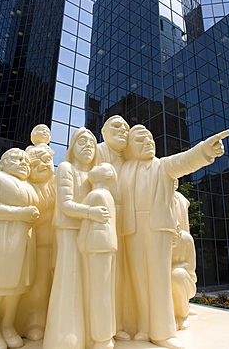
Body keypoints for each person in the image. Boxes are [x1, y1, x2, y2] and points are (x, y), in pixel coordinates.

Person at [121, 125, 229, 349]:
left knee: (159, 280)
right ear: (129, 147)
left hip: (158, 228)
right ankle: (143, 327)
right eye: (141, 140)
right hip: (131, 229)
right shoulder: (123, 170)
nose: (149, 142)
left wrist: (205, 151)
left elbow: (185, 160)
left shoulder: (161, 166)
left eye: (151, 138)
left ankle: (163, 332)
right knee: (138, 281)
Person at [43, 127, 109, 349]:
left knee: (91, 282)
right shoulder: (66, 168)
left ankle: (92, 334)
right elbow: (65, 204)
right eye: (82, 142)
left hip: (90, 233)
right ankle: (65, 337)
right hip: (69, 229)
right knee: (69, 280)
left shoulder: (94, 175)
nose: (88, 146)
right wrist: (91, 213)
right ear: (72, 148)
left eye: (91, 142)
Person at [0, 148, 39, 349]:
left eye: (26, 160)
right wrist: (19, 213)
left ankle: (7, 325)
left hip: (24, 241)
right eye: (16, 158)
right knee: (0, 285)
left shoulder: (27, 185)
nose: (23, 162)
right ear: (3, 162)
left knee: (17, 289)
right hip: (3, 238)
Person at [15, 144, 55, 341]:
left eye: (46, 160)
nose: (42, 165)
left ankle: (41, 321)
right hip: (30, 244)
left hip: (53, 245)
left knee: (46, 286)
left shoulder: (57, 185)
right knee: (33, 286)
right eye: (36, 162)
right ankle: (26, 323)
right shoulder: (23, 187)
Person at [97, 116, 131, 340]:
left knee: (124, 275)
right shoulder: (97, 152)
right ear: (104, 131)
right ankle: (103, 326)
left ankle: (120, 322)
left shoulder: (131, 158)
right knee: (105, 274)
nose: (123, 131)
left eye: (126, 128)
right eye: (116, 126)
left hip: (129, 221)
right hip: (103, 219)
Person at [77, 163, 118, 349]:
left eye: (100, 166)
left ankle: (100, 338)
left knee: (97, 291)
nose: (95, 166)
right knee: (103, 290)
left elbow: (86, 223)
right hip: (105, 244)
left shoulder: (95, 195)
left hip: (96, 244)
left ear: (107, 174)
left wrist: (80, 241)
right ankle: (105, 335)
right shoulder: (107, 195)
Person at [172, 226, 197, 330]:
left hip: (186, 284)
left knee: (177, 274)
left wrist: (171, 268)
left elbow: (191, 265)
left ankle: (182, 315)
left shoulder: (186, 239)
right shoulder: (159, 239)